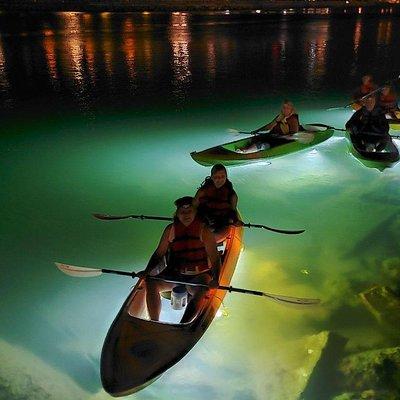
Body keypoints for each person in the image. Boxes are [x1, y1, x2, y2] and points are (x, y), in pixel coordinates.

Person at [140, 196, 221, 322]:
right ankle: (154, 321)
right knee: (151, 282)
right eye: (182, 212)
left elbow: (215, 259)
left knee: (202, 290)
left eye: (189, 212)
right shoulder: (170, 230)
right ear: (177, 214)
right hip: (175, 273)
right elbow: (159, 254)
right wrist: (147, 271)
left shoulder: (204, 231)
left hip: (198, 275)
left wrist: (216, 279)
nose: (186, 215)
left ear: (195, 213)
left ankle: (183, 324)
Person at [235, 100, 300, 153]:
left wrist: (281, 136)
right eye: (284, 108)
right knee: (258, 138)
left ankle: (246, 151)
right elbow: (270, 126)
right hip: (275, 136)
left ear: (291, 109)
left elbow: (294, 135)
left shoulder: (293, 119)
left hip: (284, 140)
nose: (285, 110)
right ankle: (248, 148)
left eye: (287, 108)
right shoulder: (280, 116)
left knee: (265, 143)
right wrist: (258, 130)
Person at [194, 164, 241, 232]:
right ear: (212, 177)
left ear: (226, 177)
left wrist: (236, 220)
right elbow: (194, 205)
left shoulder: (231, 194)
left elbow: (232, 210)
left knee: (217, 225)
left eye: (222, 176)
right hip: (205, 216)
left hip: (221, 219)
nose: (220, 180)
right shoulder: (203, 191)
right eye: (216, 177)